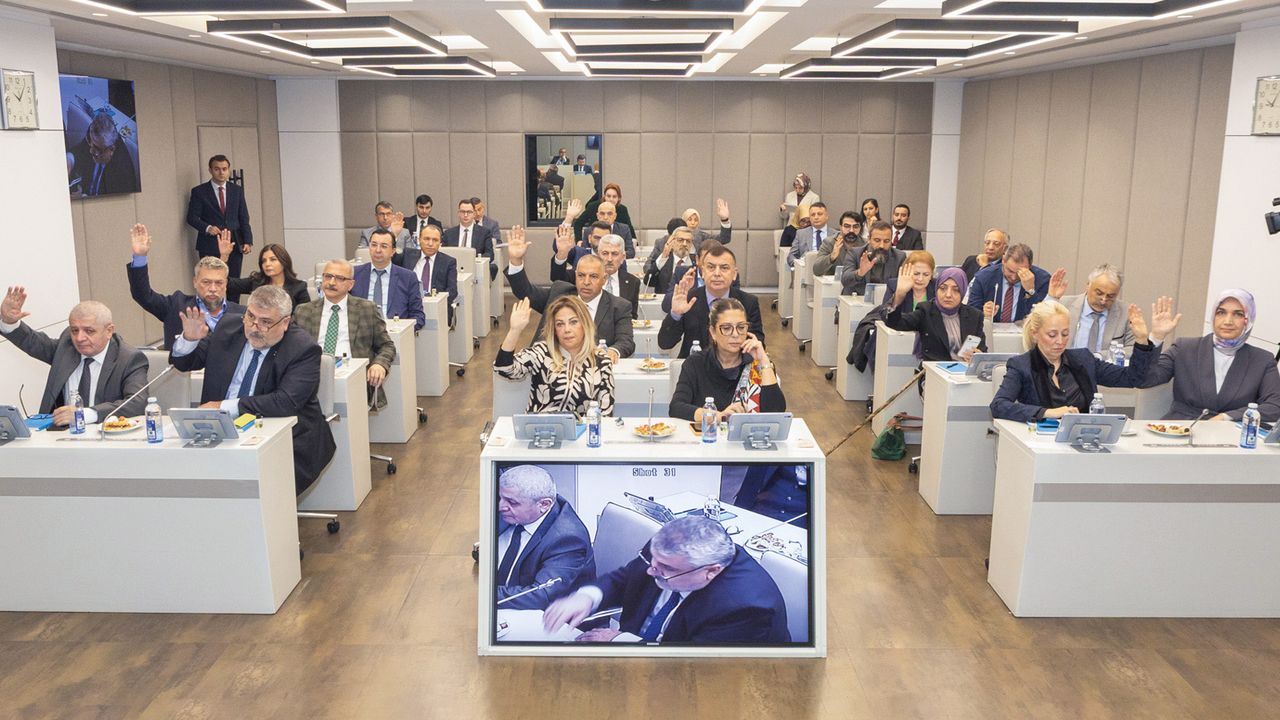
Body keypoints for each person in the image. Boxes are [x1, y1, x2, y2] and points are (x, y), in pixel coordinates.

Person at [170, 285, 335, 495]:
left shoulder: (302, 348)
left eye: (265, 322)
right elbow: (185, 363)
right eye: (251, 317)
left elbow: (285, 402)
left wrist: (225, 406)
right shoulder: (228, 327)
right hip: (220, 431)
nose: (255, 327)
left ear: (285, 323)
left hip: (283, 436)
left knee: (254, 490)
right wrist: (190, 340)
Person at [542, 516, 790, 644]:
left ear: (711, 571)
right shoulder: (664, 552)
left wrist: (621, 641)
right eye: (653, 561)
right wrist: (586, 597)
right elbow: (625, 578)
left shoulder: (745, 608)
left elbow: (692, 669)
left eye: (666, 569)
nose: (652, 571)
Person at [990, 299, 1167, 423]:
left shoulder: (1083, 360)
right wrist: (1048, 413)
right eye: (1052, 335)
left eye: (1065, 334)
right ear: (1035, 334)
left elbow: (1134, 379)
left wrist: (1143, 340)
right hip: (1041, 443)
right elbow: (998, 405)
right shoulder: (1021, 365)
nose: (1060, 341)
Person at [1, 288, 148, 426]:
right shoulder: (67, 347)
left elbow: (137, 403)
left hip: (105, 434)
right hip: (60, 435)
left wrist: (84, 414)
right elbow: (33, 342)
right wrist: (9, 322)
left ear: (109, 331)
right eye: (74, 330)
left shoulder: (129, 358)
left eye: (89, 331)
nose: (79, 338)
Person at [1142, 290, 1280, 422]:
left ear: (1248, 320)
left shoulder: (1263, 360)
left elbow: (1275, 406)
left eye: (1238, 314)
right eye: (1221, 312)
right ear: (1213, 316)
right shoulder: (1184, 347)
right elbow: (1145, 379)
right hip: (1180, 429)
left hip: (1230, 434)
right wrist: (1156, 337)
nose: (1228, 321)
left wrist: (1227, 417)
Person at [505, 225, 634, 360]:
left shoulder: (619, 306)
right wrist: (516, 260)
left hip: (593, 366)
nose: (586, 282)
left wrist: (613, 351)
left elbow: (626, 341)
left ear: (604, 279)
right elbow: (524, 291)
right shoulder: (559, 294)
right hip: (552, 364)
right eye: (581, 276)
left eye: (593, 277)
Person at [294, 260, 395, 408]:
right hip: (313, 377)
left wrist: (379, 364)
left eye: (339, 278)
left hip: (354, 377)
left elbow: (387, 345)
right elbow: (291, 349)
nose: (331, 282)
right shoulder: (303, 311)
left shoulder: (366, 309)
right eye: (328, 276)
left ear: (351, 285)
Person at [125, 223, 243, 349]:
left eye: (218, 283)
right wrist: (140, 257)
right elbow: (143, 295)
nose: (213, 289)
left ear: (226, 285)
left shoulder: (242, 315)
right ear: (195, 282)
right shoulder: (176, 306)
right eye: (206, 282)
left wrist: (224, 257)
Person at [494, 464, 595, 610]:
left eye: (512, 502)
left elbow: (541, 596)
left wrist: (487, 592)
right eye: (500, 498)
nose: (500, 507)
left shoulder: (568, 539)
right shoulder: (514, 509)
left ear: (544, 504)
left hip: (550, 616)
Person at [494, 295, 615, 416]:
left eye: (573, 322)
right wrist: (514, 330)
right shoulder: (541, 352)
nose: (567, 329)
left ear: (585, 324)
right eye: (560, 324)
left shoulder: (601, 361)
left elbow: (606, 412)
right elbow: (503, 368)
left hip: (581, 427)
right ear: (554, 330)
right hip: (539, 426)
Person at [669, 298, 784, 422]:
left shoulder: (757, 364)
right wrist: (719, 416)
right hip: (708, 433)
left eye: (741, 327)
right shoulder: (696, 363)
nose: (735, 334)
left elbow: (776, 412)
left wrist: (764, 361)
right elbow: (676, 407)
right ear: (713, 332)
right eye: (727, 328)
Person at [659, 243, 763, 358]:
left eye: (724, 268)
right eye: (711, 267)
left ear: (734, 274)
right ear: (703, 272)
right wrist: (675, 314)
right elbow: (665, 344)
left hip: (734, 366)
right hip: (693, 365)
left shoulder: (748, 302)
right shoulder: (689, 299)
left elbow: (758, 344)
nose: (717, 274)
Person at [884, 267, 991, 363]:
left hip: (963, 373)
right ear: (936, 289)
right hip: (933, 373)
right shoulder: (926, 311)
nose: (948, 295)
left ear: (963, 292)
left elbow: (982, 350)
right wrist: (899, 295)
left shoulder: (974, 315)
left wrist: (977, 355)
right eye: (943, 288)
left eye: (956, 290)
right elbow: (895, 322)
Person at [1045, 263, 1136, 356]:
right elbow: (1037, 331)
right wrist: (1051, 299)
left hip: (1104, 364)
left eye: (1111, 296)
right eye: (1099, 293)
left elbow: (1133, 349)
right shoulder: (1064, 304)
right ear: (1088, 285)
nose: (1103, 300)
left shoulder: (1126, 313)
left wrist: (1100, 356)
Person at [186, 154, 251, 278]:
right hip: (210, 244)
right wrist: (207, 228)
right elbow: (192, 217)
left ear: (228, 170)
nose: (221, 172)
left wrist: (247, 240)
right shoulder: (199, 191)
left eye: (224, 169)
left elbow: (243, 217)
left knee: (233, 281)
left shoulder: (237, 190)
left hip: (234, 243)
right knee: (211, 278)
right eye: (217, 169)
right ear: (210, 170)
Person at [353, 229, 426, 331]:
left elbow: (418, 316)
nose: (378, 250)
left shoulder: (408, 277)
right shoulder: (355, 274)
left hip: (394, 333)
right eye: (374, 245)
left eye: (384, 246)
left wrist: (402, 330)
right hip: (361, 333)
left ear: (393, 251)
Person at [965, 242, 1057, 323]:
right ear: (1003, 261)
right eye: (1010, 271)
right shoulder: (984, 277)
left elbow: (1042, 319)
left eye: (1020, 273)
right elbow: (970, 314)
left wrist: (1031, 291)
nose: (1013, 277)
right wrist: (983, 314)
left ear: (1030, 266)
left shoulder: (1042, 280)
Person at [69, 110, 140, 199]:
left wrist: (83, 197)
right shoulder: (95, 138)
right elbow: (79, 151)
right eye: (90, 142)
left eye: (97, 149)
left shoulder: (123, 174)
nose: (91, 150)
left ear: (111, 150)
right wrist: (69, 160)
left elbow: (111, 203)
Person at [223, 242, 311, 310]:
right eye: (264, 261)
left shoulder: (299, 287)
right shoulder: (256, 282)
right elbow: (225, 282)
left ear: (284, 262)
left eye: (273, 259)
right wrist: (224, 257)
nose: (267, 264)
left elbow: (303, 317)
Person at [405, 224, 458, 325]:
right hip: (409, 306)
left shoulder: (448, 262)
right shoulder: (407, 255)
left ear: (440, 243)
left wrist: (435, 301)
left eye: (435, 240)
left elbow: (452, 291)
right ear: (419, 240)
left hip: (437, 308)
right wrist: (396, 234)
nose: (430, 243)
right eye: (426, 239)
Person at [840, 220, 905, 297]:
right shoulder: (855, 253)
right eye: (877, 240)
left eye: (886, 241)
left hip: (886, 301)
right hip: (856, 300)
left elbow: (902, 286)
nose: (881, 245)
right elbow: (845, 280)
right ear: (869, 239)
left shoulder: (899, 257)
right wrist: (860, 273)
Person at [443, 198, 497, 279]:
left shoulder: (484, 233)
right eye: (462, 212)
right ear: (458, 213)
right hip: (453, 270)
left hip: (475, 270)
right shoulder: (448, 233)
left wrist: (473, 260)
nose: (465, 215)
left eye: (469, 212)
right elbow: (443, 254)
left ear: (474, 214)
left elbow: (490, 254)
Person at [564, 199, 635, 258]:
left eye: (609, 214)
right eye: (602, 214)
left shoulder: (624, 229)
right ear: (597, 216)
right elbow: (584, 253)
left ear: (615, 216)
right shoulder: (588, 231)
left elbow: (631, 252)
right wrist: (569, 217)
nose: (605, 217)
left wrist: (614, 255)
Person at [644, 225, 695, 294]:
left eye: (688, 241)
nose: (684, 244)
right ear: (672, 241)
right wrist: (663, 258)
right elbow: (648, 282)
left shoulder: (696, 261)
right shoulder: (663, 260)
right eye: (680, 240)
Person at [812, 211, 864, 277]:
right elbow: (816, 270)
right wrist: (832, 257)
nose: (851, 230)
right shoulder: (829, 243)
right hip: (833, 282)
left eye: (855, 227)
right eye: (847, 226)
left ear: (860, 228)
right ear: (840, 227)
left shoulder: (865, 244)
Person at [787, 203, 831, 268]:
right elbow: (791, 255)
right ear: (810, 218)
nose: (816, 217)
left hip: (829, 269)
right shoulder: (801, 234)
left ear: (826, 216)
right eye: (813, 215)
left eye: (819, 214)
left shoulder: (835, 235)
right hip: (806, 268)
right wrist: (798, 265)